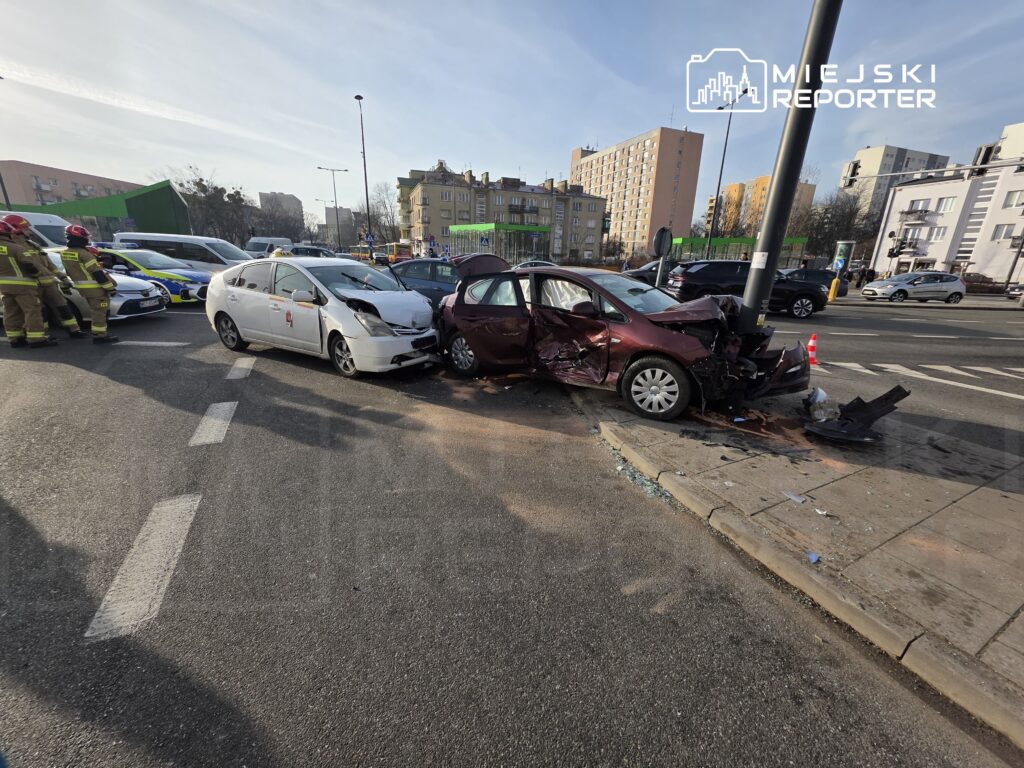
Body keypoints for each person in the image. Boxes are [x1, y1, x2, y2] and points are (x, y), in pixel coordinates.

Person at [2, 214, 86, 339]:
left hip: (49, 283)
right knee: (38, 311)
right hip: (33, 285)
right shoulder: (13, 247)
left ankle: (74, 329)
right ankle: (43, 333)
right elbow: (29, 266)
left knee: (62, 307)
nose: (28, 231)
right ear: (16, 229)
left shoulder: (33, 245)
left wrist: (62, 277)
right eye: (25, 229)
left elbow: (50, 265)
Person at [0, 220, 58, 348]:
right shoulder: (16, 248)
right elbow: (29, 265)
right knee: (32, 311)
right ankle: (37, 339)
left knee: (11, 312)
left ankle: (15, 339)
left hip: (3, 287)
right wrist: (38, 276)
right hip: (23, 285)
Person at [60, 225, 119, 344]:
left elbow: (67, 272)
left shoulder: (65, 253)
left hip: (83, 289)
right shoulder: (84, 254)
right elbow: (96, 272)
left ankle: (100, 334)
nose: (87, 239)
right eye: (85, 237)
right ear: (79, 238)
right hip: (96, 289)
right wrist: (110, 288)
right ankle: (100, 335)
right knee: (99, 312)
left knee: (96, 311)